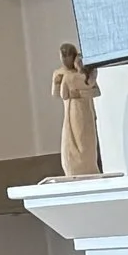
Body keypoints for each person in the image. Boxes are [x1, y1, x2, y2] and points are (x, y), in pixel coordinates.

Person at [50, 45, 101, 177]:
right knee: (72, 138)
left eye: (68, 57)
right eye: (63, 57)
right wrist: (56, 82)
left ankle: (89, 167)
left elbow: (96, 91)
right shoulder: (60, 73)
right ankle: (74, 168)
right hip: (71, 110)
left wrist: (78, 93)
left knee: (86, 138)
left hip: (84, 109)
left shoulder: (84, 75)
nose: (65, 60)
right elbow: (58, 94)